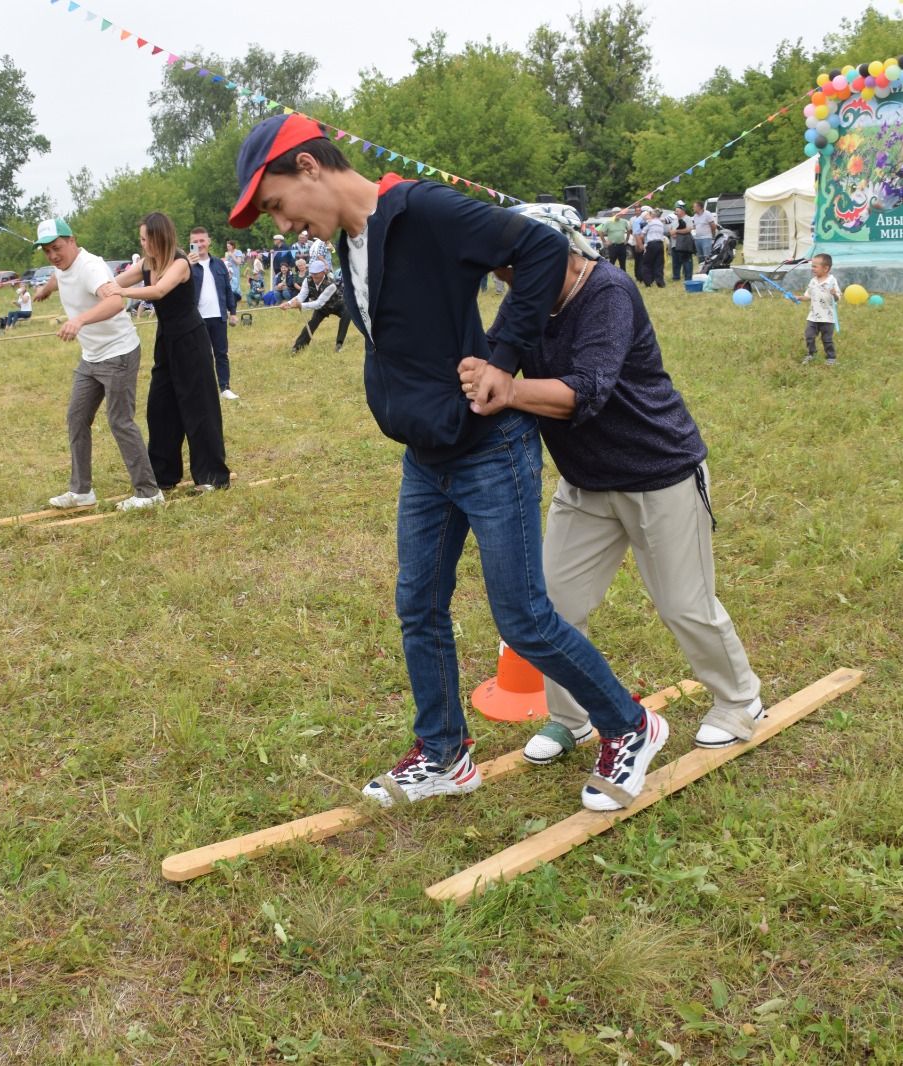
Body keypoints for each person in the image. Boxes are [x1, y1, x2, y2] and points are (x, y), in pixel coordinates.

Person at [229, 113, 655, 811]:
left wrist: (503, 359)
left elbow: (543, 249)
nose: (282, 227)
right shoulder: (353, 241)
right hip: (426, 457)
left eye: (276, 206)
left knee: (522, 618)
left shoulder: (422, 209)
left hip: (490, 448)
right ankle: (444, 753)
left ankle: (630, 726)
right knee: (418, 605)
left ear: (308, 168)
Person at [458, 202, 763, 761]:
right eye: (503, 273)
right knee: (551, 607)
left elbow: (588, 389)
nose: (510, 282)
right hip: (583, 484)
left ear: (566, 252)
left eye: (518, 268)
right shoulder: (524, 301)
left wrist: (505, 388)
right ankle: (571, 719)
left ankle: (740, 700)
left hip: (659, 472)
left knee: (685, 604)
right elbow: (486, 356)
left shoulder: (609, 291)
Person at [32, 217, 164, 513]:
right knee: (76, 418)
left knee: (120, 421)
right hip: (91, 357)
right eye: (47, 251)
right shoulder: (61, 264)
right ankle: (81, 491)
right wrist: (47, 289)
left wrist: (79, 320)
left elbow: (116, 302)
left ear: (72, 240)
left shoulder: (91, 267)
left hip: (118, 353)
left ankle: (148, 492)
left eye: (57, 248)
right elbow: (60, 274)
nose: (53, 255)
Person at [99, 213, 230, 493]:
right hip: (166, 339)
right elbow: (114, 279)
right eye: (141, 239)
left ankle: (212, 476)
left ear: (160, 237)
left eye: (147, 238)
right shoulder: (147, 263)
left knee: (199, 408)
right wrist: (96, 285)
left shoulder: (180, 262)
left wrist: (120, 292)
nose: (143, 244)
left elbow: (158, 291)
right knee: (160, 408)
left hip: (190, 339)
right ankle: (163, 475)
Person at [188, 226, 238, 400]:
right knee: (201, 356)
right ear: (190, 244)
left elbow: (227, 289)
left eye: (202, 240)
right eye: (195, 242)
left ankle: (225, 388)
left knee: (221, 353)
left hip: (218, 317)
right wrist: (187, 265)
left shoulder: (219, 264)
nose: (199, 244)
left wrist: (233, 312)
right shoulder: (185, 266)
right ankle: (203, 390)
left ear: (209, 241)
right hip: (196, 319)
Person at [282, 258, 350, 354]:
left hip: (337, 305)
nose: (314, 276)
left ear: (323, 272)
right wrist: (288, 304)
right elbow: (301, 295)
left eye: (316, 273)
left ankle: (339, 344)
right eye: (312, 273)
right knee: (312, 323)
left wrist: (300, 305)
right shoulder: (307, 280)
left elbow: (319, 303)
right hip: (322, 308)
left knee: (347, 314)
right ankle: (297, 347)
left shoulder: (331, 284)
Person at [801, 253, 840, 365]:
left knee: (827, 339)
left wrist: (834, 294)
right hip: (813, 316)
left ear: (826, 268)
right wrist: (799, 298)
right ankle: (811, 354)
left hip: (827, 317)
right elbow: (808, 296)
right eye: (812, 266)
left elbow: (837, 299)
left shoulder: (831, 281)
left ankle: (831, 358)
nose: (812, 269)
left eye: (815, 266)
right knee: (809, 336)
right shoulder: (813, 281)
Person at [639, 208, 667, 288]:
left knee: (647, 263)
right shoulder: (661, 223)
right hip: (660, 244)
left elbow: (642, 234)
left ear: (653, 215)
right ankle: (660, 282)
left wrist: (644, 242)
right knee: (659, 264)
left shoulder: (650, 223)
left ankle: (648, 282)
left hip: (651, 244)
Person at [670, 206, 695, 283]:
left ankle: (688, 278)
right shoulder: (674, 220)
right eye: (675, 211)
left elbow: (688, 229)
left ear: (683, 211)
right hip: (674, 244)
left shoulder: (687, 218)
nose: (676, 213)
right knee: (675, 262)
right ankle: (676, 277)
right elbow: (671, 229)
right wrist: (672, 233)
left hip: (684, 244)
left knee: (686, 261)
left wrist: (676, 232)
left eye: (677, 211)